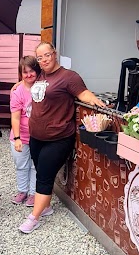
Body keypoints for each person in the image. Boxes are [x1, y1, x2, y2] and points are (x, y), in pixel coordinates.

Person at [19, 41, 106, 234]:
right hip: (37, 137)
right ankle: (45, 207)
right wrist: (17, 86)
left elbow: (84, 94)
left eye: (47, 55)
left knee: (44, 176)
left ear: (54, 53)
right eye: (40, 57)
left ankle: (34, 218)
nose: (44, 60)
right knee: (41, 171)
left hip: (58, 138)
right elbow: (27, 82)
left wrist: (99, 103)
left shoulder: (68, 77)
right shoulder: (40, 75)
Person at [10, 55, 41, 206]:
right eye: (25, 72)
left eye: (31, 71)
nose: (29, 75)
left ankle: (34, 193)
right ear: (20, 74)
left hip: (39, 135)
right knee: (21, 165)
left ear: (37, 71)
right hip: (21, 135)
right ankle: (22, 191)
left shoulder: (43, 86)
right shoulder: (17, 91)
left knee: (35, 166)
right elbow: (15, 117)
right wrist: (17, 138)